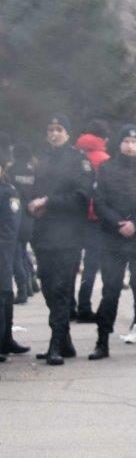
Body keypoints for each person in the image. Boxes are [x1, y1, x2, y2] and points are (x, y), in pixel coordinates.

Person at [88, 125, 136, 361]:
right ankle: (102, 341)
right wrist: (118, 223)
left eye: (135, 142)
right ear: (119, 144)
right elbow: (99, 202)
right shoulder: (106, 168)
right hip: (113, 238)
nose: (130, 146)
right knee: (110, 290)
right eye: (126, 141)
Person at [28, 114, 93, 366]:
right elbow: (33, 191)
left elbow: (82, 197)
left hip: (68, 235)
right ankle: (64, 341)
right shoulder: (42, 158)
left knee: (61, 289)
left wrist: (49, 202)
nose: (54, 134)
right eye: (50, 129)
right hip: (44, 234)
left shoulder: (79, 160)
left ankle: (55, 344)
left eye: (59, 129)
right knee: (46, 288)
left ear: (68, 134)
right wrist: (32, 205)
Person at [73, 119, 110, 322]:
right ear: (104, 138)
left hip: (75, 216)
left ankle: (69, 305)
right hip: (95, 218)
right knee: (91, 265)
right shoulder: (104, 159)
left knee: (71, 263)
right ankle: (84, 306)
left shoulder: (75, 155)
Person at [0, 160, 30, 361]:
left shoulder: (7, 192)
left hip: (2, 249)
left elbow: (10, 227)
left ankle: (4, 340)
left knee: (4, 293)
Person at [8, 143, 36, 304]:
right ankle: (30, 284)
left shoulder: (11, 172)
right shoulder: (32, 172)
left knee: (16, 255)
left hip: (16, 217)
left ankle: (22, 290)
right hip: (30, 217)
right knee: (23, 252)